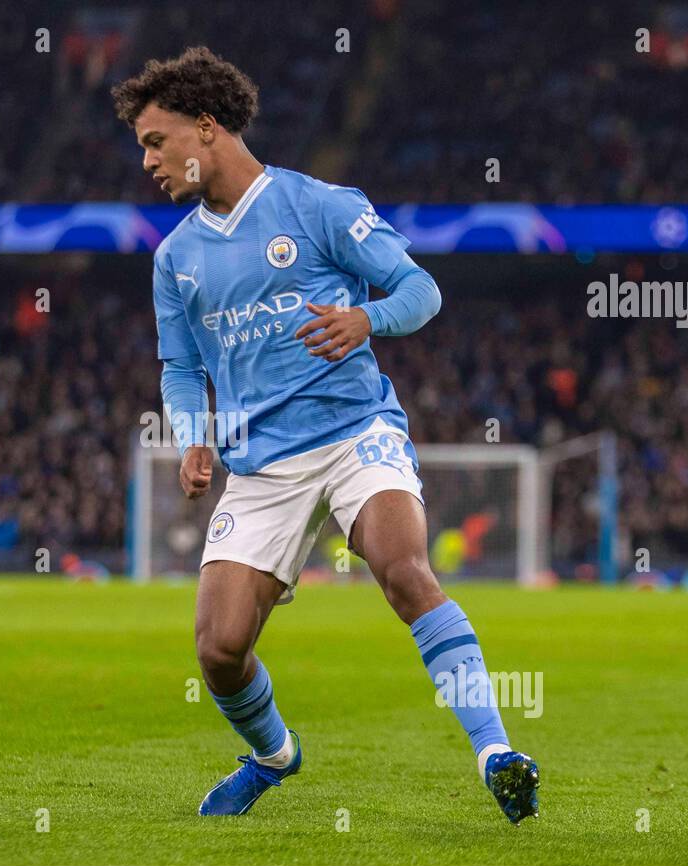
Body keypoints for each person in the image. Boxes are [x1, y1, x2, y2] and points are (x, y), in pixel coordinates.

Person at [112, 47, 539, 823]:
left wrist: (365, 317)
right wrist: (194, 433)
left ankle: (496, 752)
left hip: (353, 430)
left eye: (154, 139)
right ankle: (275, 755)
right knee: (218, 649)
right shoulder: (175, 258)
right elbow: (180, 366)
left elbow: (422, 289)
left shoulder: (317, 207)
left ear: (205, 128)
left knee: (404, 567)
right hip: (262, 464)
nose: (147, 160)